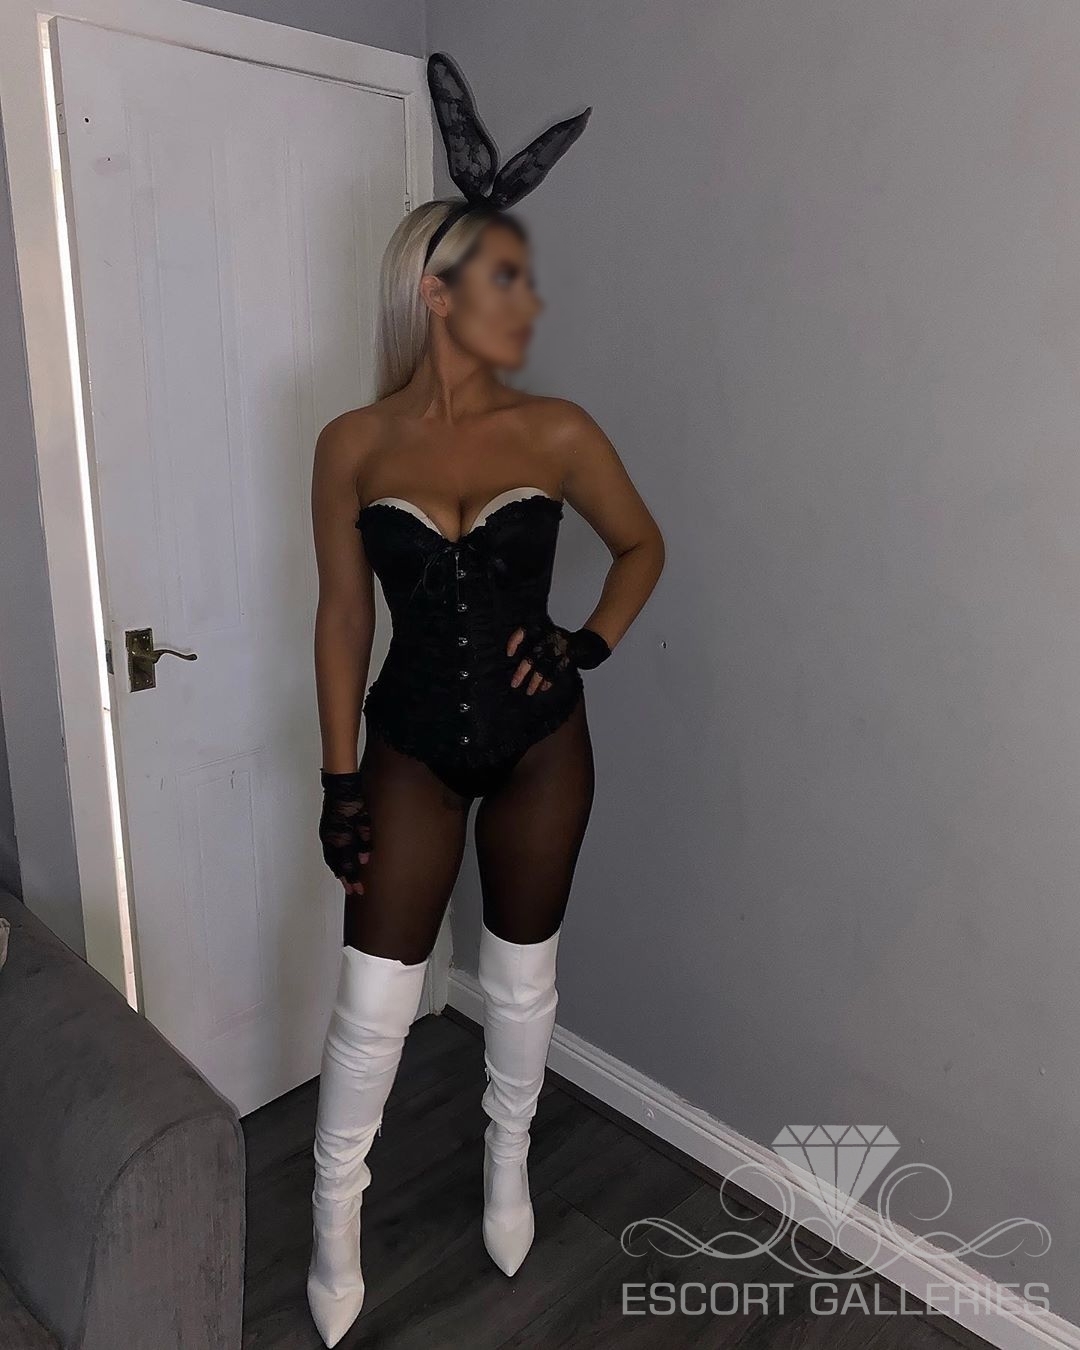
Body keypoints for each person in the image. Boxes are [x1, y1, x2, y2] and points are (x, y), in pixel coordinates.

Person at [305, 53, 665, 1348]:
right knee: (375, 1002)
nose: (532, 298)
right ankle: (334, 1215)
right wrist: (338, 774)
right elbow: (345, 616)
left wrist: (585, 647)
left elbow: (643, 546)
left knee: (520, 983)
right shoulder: (352, 443)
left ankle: (507, 1165)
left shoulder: (559, 430)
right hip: (408, 743)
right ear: (436, 292)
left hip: (541, 748)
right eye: (508, 276)